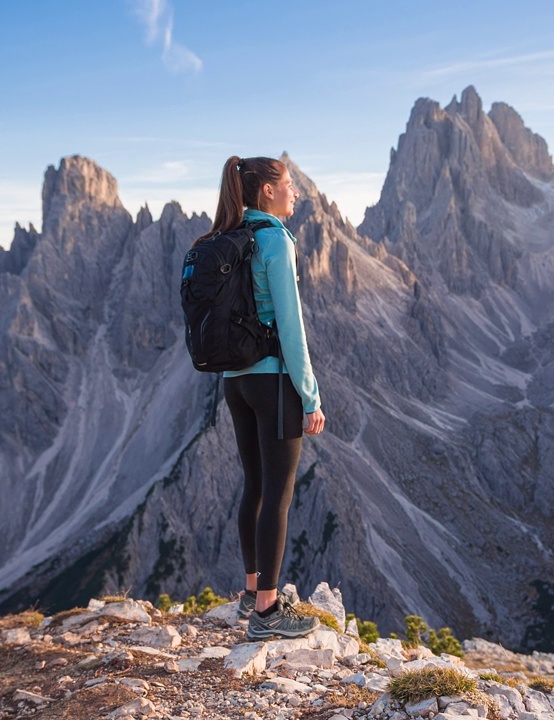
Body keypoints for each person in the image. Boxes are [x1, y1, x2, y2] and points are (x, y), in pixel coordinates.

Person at [205, 155, 326, 640]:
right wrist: (311, 397)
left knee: (254, 485)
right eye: (290, 184)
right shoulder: (274, 238)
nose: (296, 192)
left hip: (235, 382)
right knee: (279, 492)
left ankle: (252, 592)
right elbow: (292, 329)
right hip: (273, 381)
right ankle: (268, 613)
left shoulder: (232, 236)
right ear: (267, 192)